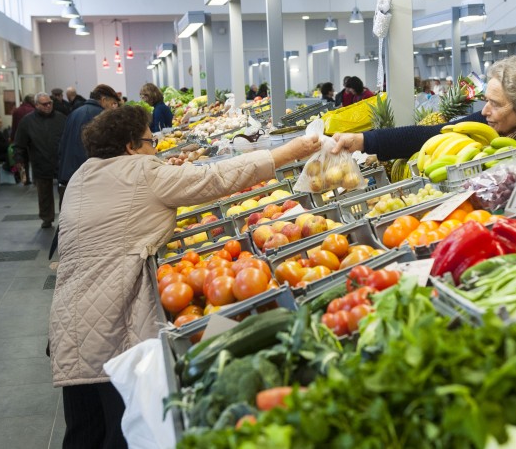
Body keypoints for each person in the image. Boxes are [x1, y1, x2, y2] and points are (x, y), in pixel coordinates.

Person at [48, 104, 320, 449]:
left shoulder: (82, 176)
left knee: (84, 430)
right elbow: (215, 178)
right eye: (150, 142)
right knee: (121, 429)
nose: (155, 150)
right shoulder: (142, 171)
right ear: (131, 146)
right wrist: (285, 153)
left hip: (68, 318)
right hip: (112, 321)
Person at [332, 55, 516, 168]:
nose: (485, 111)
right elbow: (430, 135)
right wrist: (363, 140)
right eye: (486, 100)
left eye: (497, 104)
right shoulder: (486, 125)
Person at [57, 84, 121, 199]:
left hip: (69, 175)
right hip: (88, 177)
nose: (113, 108)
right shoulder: (102, 116)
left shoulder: (74, 113)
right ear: (103, 100)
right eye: (112, 103)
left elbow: (62, 144)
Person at [14, 92, 67, 228]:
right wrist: (19, 162)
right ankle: (46, 218)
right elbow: (20, 144)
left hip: (60, 161)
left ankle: (66, 218)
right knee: (44, 193)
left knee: (65, 193)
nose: (48, 106)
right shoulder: (27, 121)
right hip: (40, 160)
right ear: (36, 105)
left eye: (50, 103)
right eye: (44, 104)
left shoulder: (61, 118)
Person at [12, 94, 36, 185]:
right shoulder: (33, 111)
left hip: (19, 138)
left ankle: (25, 179)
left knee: (22, 160)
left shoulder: (16, 111)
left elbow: (14, 126)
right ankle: (35, 179)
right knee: (33, 159)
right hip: (31, 138)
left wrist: (13, 138)